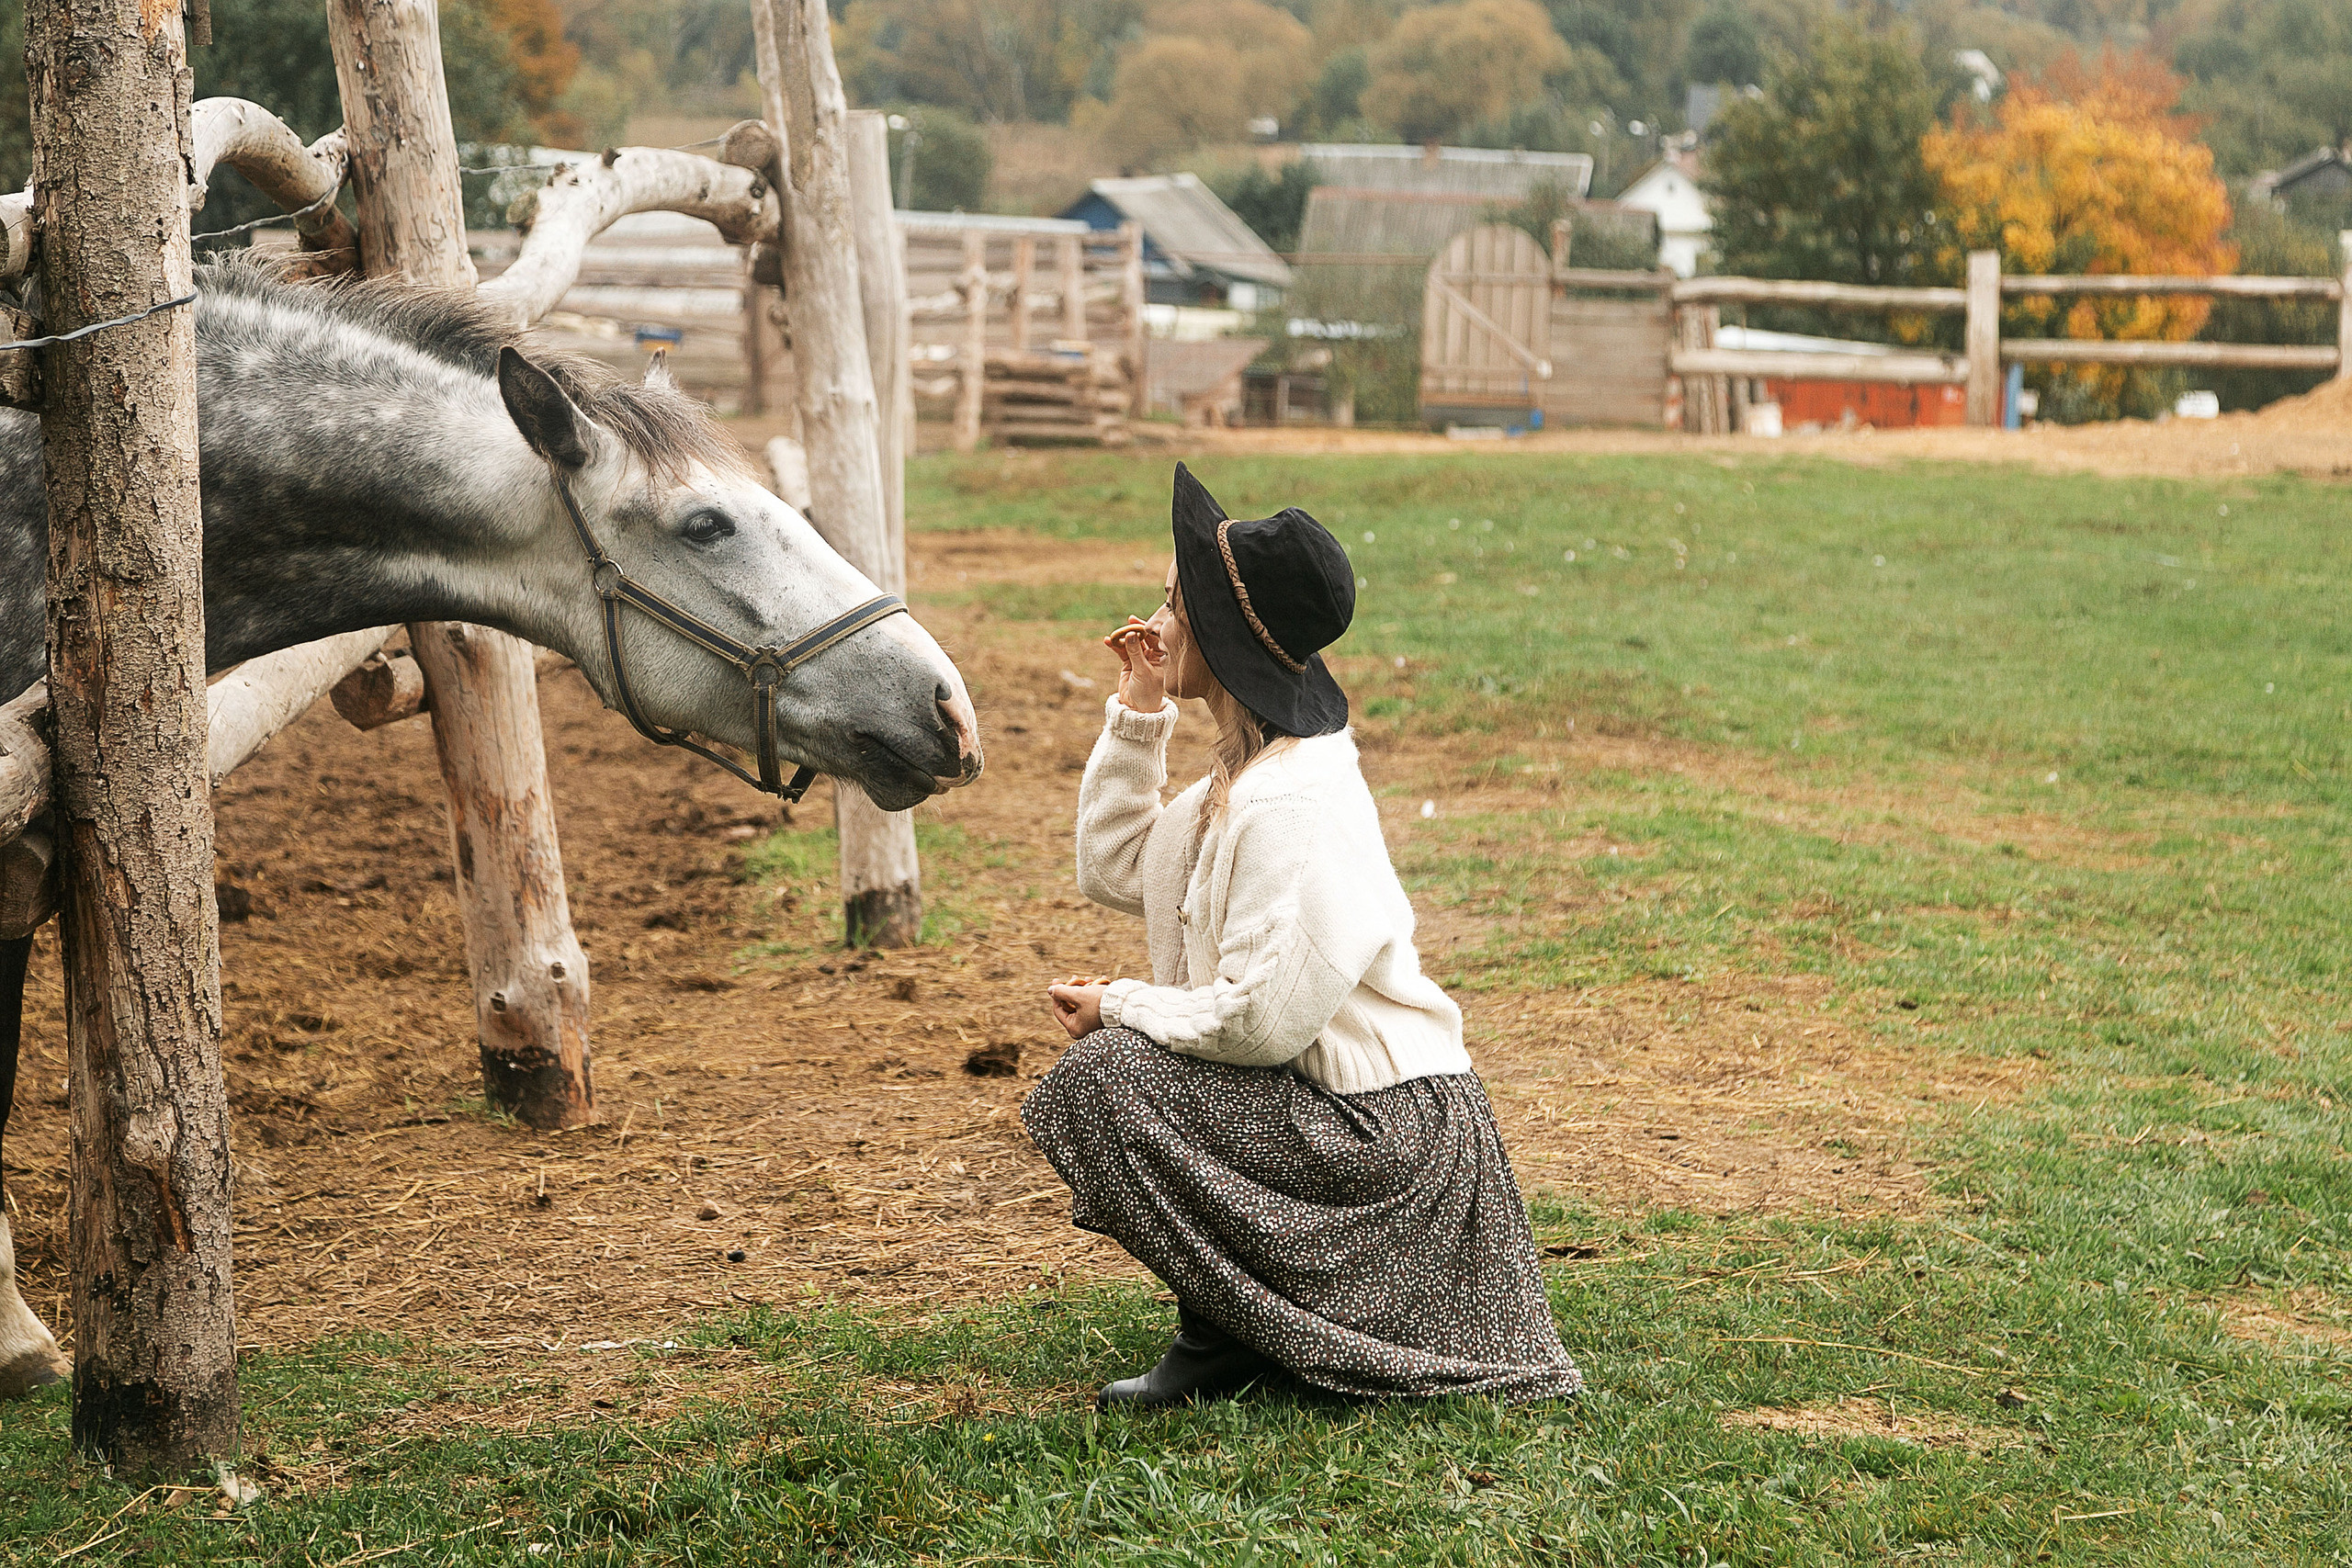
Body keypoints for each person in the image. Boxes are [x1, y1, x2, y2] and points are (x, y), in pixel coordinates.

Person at [1022, 463, 1582, 1410]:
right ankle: (1236, 1327)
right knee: (1118, 1074)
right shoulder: (1241, 781)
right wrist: (1139, 716)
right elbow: (1118, 868)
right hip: (1331, 1109)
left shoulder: (1292, 800)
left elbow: (1261, 1024)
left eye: (1173, 605)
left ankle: (1241, 1333)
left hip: (1390, 1136)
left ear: (1224, 635)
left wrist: (1120, 1002)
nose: (1154, 624)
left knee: (1108, 1078)